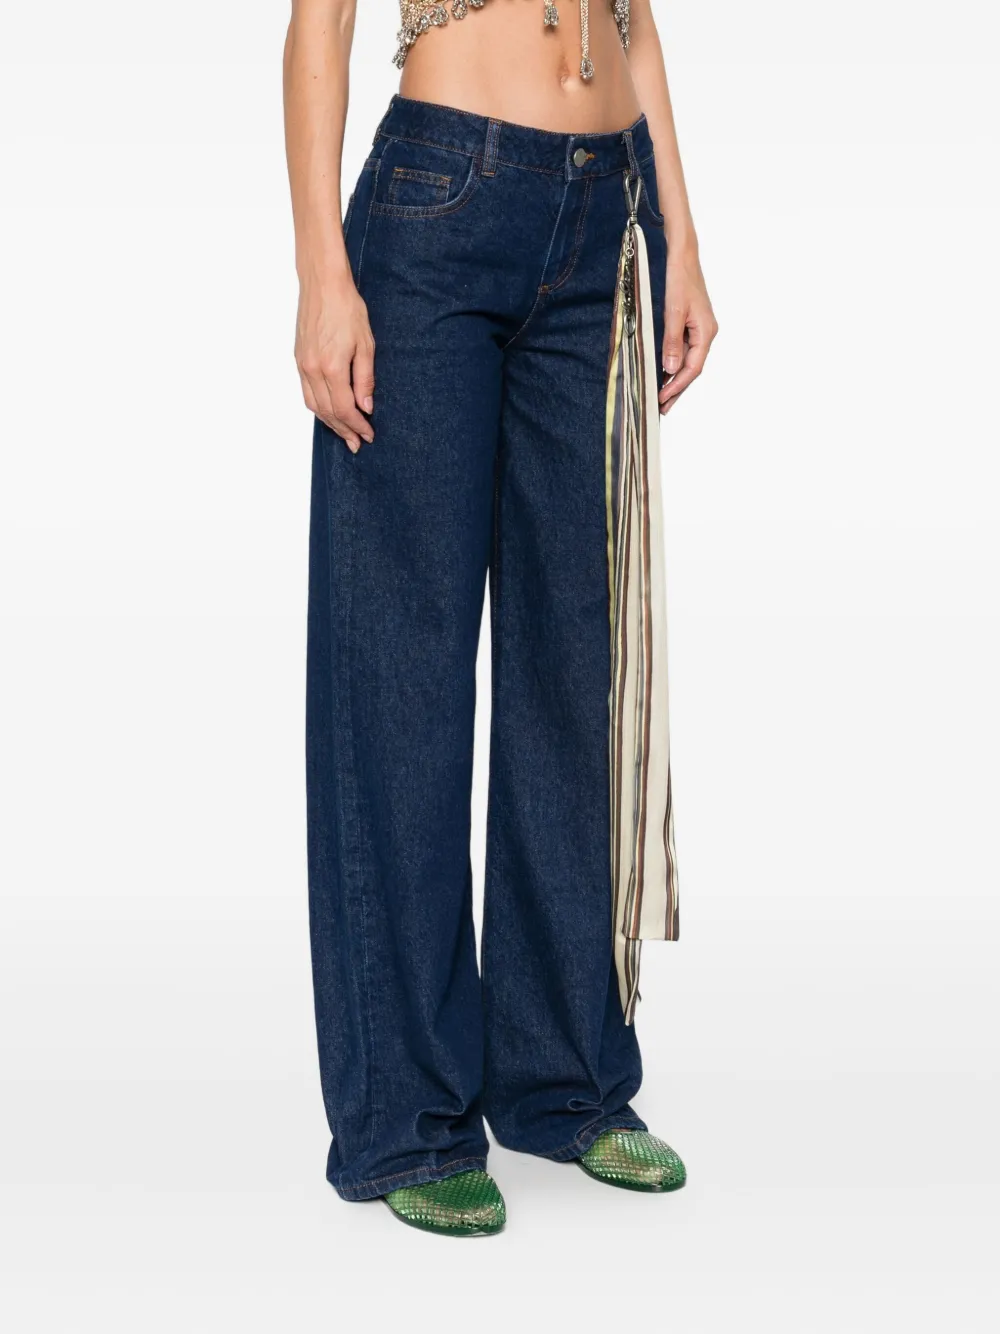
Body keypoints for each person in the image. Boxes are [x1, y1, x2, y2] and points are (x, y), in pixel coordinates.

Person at [283, 0, 717, 1237]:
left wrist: (682, 235)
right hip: (438, 204)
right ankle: (407, 1118)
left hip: (607, 213)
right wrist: (322, 272)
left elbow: (637, 22)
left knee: (576, 670)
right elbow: (318, 25)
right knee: (403, 673)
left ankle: (563, 1080)